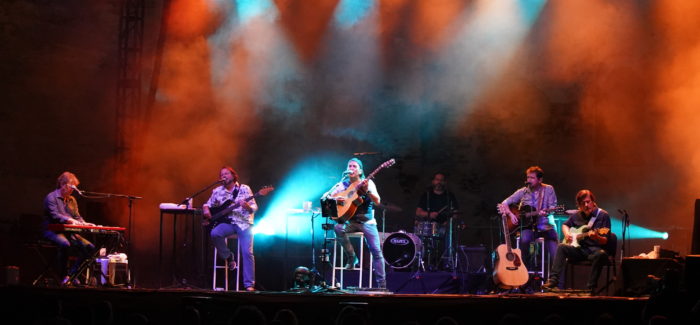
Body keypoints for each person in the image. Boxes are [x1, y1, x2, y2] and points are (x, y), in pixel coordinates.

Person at [325, 158, 386, 288]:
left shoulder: (368, 183)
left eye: (354, 166)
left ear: (360, 171)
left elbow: (378, 201)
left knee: (376, 251)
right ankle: (352, 257)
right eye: (349, 166)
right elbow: (327, 195)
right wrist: (336, 198)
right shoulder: (343, 183)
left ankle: (382, 285)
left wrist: (367, 191)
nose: (351, 168)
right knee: (338, 227)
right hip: (351, 222)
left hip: (367, 222)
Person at [542, 189, 611, 294]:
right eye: (583, 203)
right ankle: (553, 280)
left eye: (588, 202)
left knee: (600, 254)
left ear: (593, 201)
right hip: (581, 250)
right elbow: (565, 225)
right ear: (579, 205)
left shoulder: (603, 215)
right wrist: (567, 234)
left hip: (595, 251)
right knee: (561, 247)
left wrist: (596, 237)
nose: (586, 205)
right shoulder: (577, 215)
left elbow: (605, 241)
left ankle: (590, 289)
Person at [203, 166, 258, 291]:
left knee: (247, 252)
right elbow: (208, 203)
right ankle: (229, 257)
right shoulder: (217, 190)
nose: (224, 176)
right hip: (229, 223)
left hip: (244, 224)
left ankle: (249, 285)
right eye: (221, 174)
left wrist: (247, 207)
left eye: (226, 173)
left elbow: (254, 207)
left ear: (233, 176)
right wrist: (206, 209)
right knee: (215, 233)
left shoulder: (244, 189)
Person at [497, 166, 558, 270]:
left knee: (556, 253)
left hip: (545, 226)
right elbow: (504, 203)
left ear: (540, 180)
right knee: (525, 240)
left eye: (532, 178)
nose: (528, 180)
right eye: (528, 177)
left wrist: (545, 213)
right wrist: (511, 215)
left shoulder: (548, 189)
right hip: (529, 227)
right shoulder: (523, 191)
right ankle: (523, 271)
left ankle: (558, 283)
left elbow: (553, 207)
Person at [43, 171, 96, 285]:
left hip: (68, 232)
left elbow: (77, 216)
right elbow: (55, 215)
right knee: (65, 244)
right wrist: (70, 220)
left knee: (90, 247)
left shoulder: (72, 199)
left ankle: (71, 275)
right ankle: (62, 275)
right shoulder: (51, 197)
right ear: (63, 184)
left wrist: (85, 223)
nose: (73, 190)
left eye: (74, 187)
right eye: (71, 187)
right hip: (52, 231)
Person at [415, 172, 459, 270]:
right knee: (420, 234)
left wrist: (448, 223)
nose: (439, 182)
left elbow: (456, 213)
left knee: (449, 235)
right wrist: (429, 214)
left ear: (445, 182)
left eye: (441, 180)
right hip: (428, 226)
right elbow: (418, 212)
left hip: (444, 226)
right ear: (433, 181)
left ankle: (447, 263)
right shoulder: (426, 195)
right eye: (437, 180)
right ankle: (422, 263)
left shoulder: (449, 196)